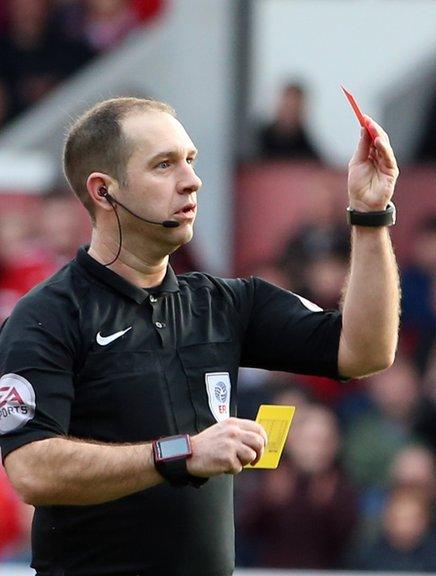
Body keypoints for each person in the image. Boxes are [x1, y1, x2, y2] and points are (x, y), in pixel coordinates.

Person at [0, 96, 400, 575]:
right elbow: (32, 470)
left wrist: (370, 215)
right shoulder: (47, 315)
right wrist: (183, 452)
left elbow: (366, 351)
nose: (192, 180)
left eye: (189, 160)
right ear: (104, 192)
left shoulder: (226, 302)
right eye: (164, 165)